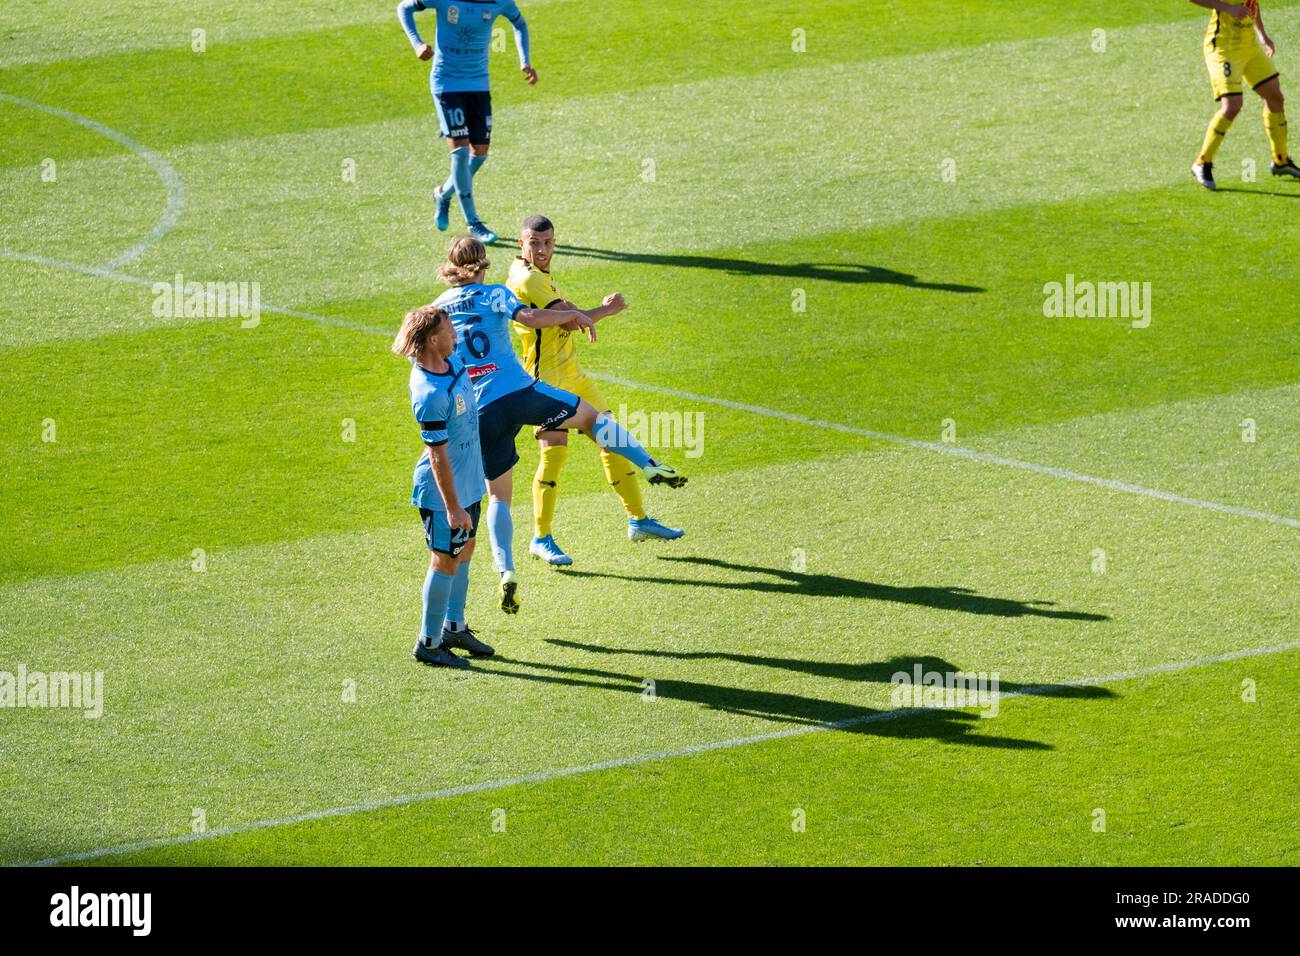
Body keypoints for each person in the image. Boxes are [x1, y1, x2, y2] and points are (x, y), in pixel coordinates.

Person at [432, 236, 688, 613]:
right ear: (483, 264)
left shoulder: (437, 310)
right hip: (521, 392)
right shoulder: (495, 294)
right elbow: (532, 317)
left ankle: (506, 569)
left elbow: (433, 358)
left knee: (499, 497)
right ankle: (647, 463)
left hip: (480, 411)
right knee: (592, 417)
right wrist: (573, 315)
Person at [507, 215, 685, 568]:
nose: (542, 250)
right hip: (548, 381)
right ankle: (540, 538)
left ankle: (638, 519)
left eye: (548, 243)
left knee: (612, 442)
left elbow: (564, 316)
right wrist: (607, 309)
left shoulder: (537, 274)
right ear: (520, 243)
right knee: (554, 455)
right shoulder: (527, 278)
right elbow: (569, 320)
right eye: (534, 243)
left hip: (575, 375)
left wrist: (579, 314)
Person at [393, 303, 495, 668]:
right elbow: (437, 456)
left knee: (465, 551)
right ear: (433, 340)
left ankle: (454, 626)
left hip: (468, 482)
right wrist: (452, 508)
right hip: (443, 494)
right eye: (449, 331)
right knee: (445, 560)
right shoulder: (430, 393)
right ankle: (429, 643)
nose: (456, 335)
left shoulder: (450, 363)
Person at [397, 0, 538, 241]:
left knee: (479, 154)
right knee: (460, 153)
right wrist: (417, 43)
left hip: (478, 84)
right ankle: (474, 224)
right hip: (446, 83)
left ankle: (443, 194)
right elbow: (404, 8)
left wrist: (524, 60)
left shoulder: (500, 2)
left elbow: (520, 24)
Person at [1191, 0, 1300, 189]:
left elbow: (1252, 5)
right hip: (1223, 49)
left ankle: (1280, 160)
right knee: (1232, 106)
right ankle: (1202, 162)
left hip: (1249, 47)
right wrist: (1228, 8)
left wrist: (1263, 35)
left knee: (1275, 98)